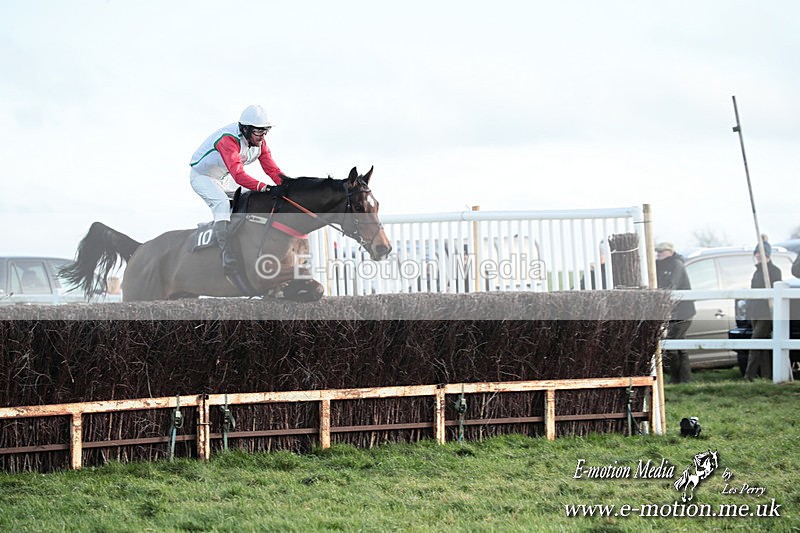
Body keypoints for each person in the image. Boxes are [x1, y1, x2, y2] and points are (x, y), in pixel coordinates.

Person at [189, 105, 290, 279]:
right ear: (245, 129)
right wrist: (265, 187)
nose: (262, 137)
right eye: (258, 132)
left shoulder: (260, 143)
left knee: (252, 197)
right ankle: (226, 254)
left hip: (223, 177)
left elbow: (272, 170)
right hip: (203, 177)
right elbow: (239, 175)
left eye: (265, 132)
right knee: (221, 203)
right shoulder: (228, 140)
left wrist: (288, 187)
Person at [655, 241, 696, 384]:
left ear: (670, 252)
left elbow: (672, 286)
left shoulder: (676, 265)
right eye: (658, 252)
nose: (659, 254)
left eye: (662, 252)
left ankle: (676, 378)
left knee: (672, 344)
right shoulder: (661, 265)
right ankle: (684, 379)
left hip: (683, 311)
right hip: (674, 312)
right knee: (680, 345)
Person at [745, 240, 782, 380]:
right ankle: (766, 375)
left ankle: (749, 375)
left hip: (767, 313)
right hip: (756, 312)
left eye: (761, 254)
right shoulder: (756, 273)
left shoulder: (774, 271)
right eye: (757, 253)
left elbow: (775, 292)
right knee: (763, 344)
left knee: (755, 342)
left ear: (768, 255)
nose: (759, 256)